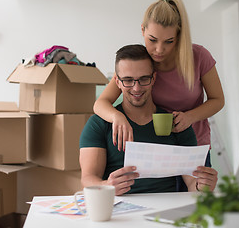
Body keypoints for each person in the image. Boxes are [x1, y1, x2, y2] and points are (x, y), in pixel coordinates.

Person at [93, 0, 225, 153]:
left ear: (179, 36)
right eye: (153, 40)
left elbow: (218, 100)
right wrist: (117, 117)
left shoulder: (199, 56)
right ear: (142, 30)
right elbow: (100, 104)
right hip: (153, 148)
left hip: (194, 146)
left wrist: (190, 117)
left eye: (169, 41)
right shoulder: (139, 63)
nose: (159, 50)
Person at [79, 44, 218, 196]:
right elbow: (87, 179)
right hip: (119, 210)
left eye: (144, 79)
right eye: (128, 80)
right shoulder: (99, 124)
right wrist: (107, 185)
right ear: (117, 82)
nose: (136, 88)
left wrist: (203, 185)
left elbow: (192, 184)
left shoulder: (176, 124)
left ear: (154, 78)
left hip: (166, 212)